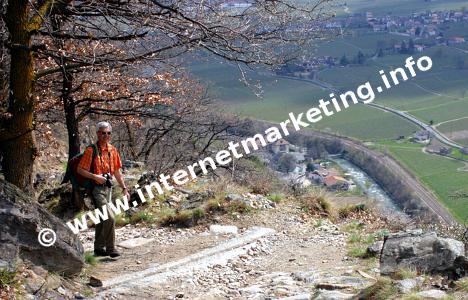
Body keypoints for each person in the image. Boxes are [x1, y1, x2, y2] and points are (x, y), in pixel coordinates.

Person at [77, 121, 130, 258]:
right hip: (96, 189)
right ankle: (111, 248)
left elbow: (117, 172)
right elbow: (80, 170)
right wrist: (95, 176)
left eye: (108, 133)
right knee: (110, 217)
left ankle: (99, 248)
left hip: (108, 189)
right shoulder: (91, 150)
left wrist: (124, 188)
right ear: (97, 133)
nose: (105, 135)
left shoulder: (113, 150)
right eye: (102, 133)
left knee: (102, 217)